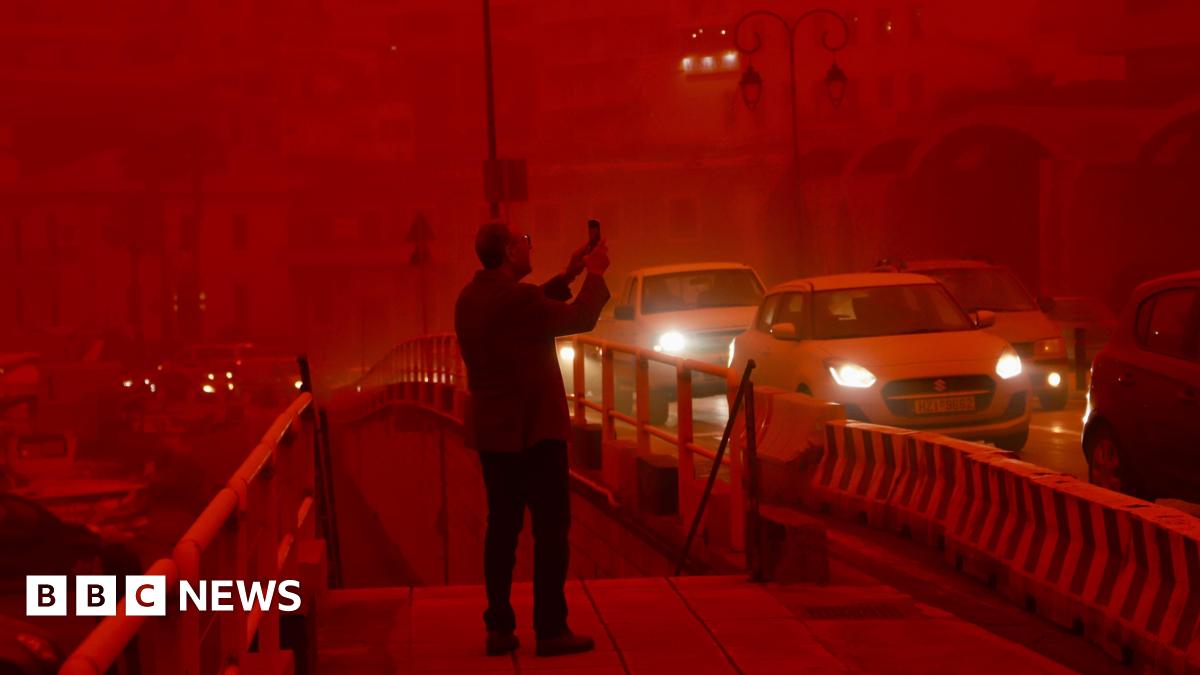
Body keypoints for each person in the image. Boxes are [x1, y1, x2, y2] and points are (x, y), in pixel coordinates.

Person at [454, 221, 610, 657]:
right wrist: (595, 272)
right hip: (536, 434)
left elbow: (526, 312)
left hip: (493, 434)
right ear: (507, 250)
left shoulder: (469, 298)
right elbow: (579, 317)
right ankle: (550, 628)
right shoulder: (518, 300)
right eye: (525, 241)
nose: (529, 246)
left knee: (501, 531)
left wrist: (569, 273)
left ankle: (500, 627)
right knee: (551, 530)